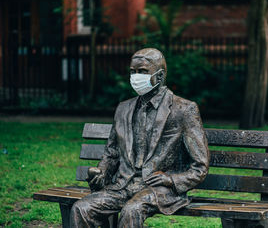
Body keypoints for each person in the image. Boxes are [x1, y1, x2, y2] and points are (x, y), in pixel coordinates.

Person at [70, 48, 209, 227]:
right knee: (81, 208)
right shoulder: (123, 109)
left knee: (131, 210)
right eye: (133, 71)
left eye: (142, 71)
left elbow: (200, 167)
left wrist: (171, 180)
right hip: (123, 186)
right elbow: (112, 153)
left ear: (160, 76)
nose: (136, 76)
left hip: (159, 190)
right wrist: (102, 171)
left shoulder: (184, 110)